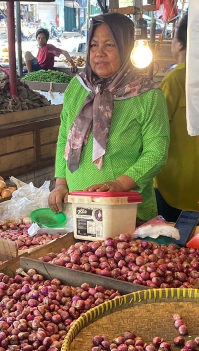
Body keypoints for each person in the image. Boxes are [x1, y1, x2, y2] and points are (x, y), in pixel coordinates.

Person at [48, 13, 170, 221]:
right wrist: (60, 183)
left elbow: (156, 152)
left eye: (110, 45)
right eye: (94, 45)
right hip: (77, 208)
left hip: (126, 212)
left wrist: (120, 184)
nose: (99, 53)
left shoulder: (148, 95)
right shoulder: (77, 87)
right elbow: (63, 139)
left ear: (126, 47)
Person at [154, 14, 199, 222]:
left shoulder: (175, 78)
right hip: (197, 175)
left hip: (170, 178)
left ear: (179, 44)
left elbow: (156, 127)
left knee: (167, 233)